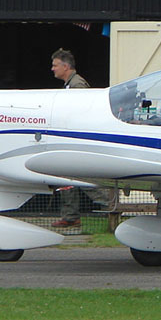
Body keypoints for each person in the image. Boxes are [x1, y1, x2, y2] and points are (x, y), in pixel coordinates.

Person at [49, 48, 113, 229]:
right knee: (68, 178)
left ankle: (112, 205)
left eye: (55, 65)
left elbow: (81, 113)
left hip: (76, 141)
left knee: (81, 178)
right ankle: (70, 216)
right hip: (70, 140)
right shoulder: (70, 85)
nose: (52, 69)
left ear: (65, 66)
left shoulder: (77, 85)